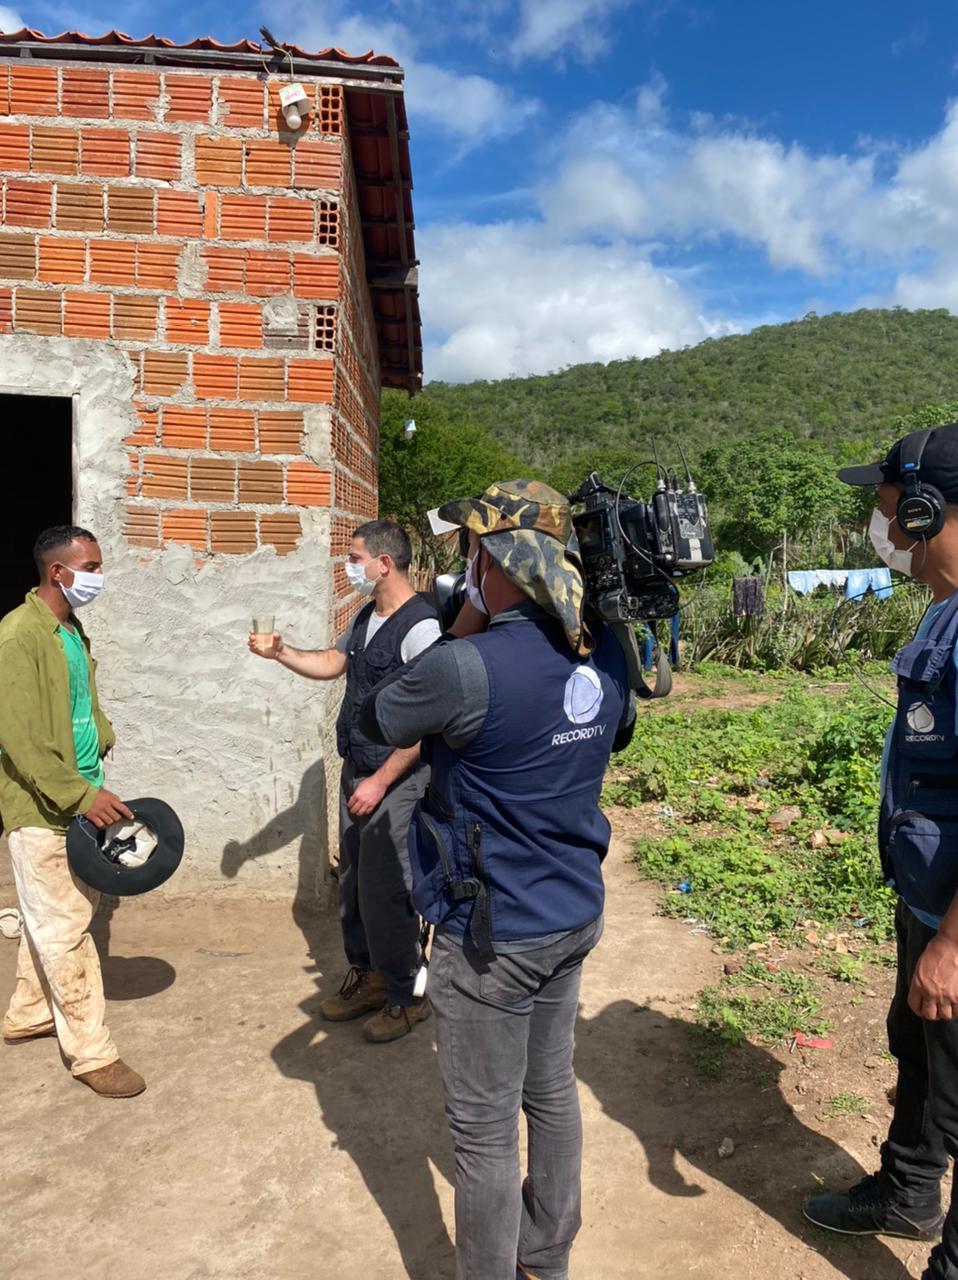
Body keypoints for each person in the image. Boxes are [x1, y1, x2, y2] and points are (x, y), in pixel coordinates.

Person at [359, 480, 635, 1280]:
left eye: (471, 551)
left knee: (482, 1132)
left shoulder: (465, 667)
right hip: (571, 912)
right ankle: (545, 1260)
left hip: (493, 935)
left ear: (496, 557)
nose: (462, 566)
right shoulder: (603, 649)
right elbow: (611, 731)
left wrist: (468, 621)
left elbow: (383, 718)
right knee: (549, 1091)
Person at [805, 423, 958, 1280]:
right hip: (930, 896)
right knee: (920, 1056)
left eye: (886, 497)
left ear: (926, 507)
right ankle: (906, 1192)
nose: (878, 514)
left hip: (955, 923)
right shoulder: (945, 609)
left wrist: (953, 945)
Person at [250, 519, 440, 1043]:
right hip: (359, 768)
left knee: (388, 887)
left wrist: (380, 781)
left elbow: (429, 719)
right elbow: (336, 662)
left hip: (394, 779)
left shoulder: (421, 626)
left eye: (354, 557)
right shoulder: (367, 616)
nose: (347, 566)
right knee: (354, 883)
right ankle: (371, 975)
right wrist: (281, 652)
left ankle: (407, 995)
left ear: (384, 563)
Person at [0, 526, 144, 1098]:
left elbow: (81, 701)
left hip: (81, 794)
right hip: (42, 807)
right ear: (57, 572)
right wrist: (83, 795)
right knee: (65, 929)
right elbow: (20, 738)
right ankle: (90, 1052)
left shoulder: (68, 629)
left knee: (54, 916)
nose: (98, 576)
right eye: (91, 566)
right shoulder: (18, 635)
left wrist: (101, 737)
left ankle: (28, 1013)